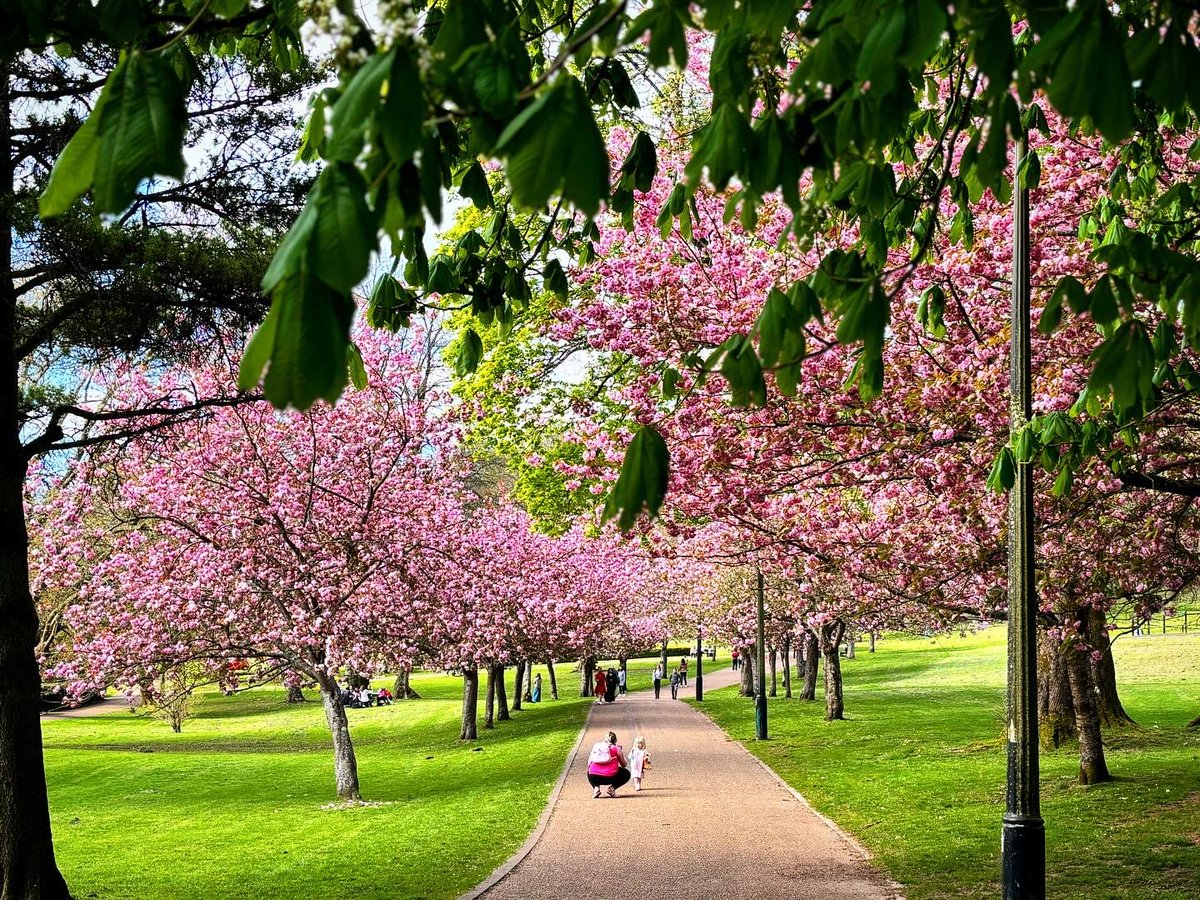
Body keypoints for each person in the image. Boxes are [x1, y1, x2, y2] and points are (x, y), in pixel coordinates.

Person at [586, 730, 631, 798]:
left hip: (594, 776)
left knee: (589, 770)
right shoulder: (617, 749)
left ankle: (596, 788)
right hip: (610, 776)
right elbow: (624, 764)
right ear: (615, 740)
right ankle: (612, 788)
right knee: (626, 773)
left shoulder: (598, 747)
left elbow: (589, 763)